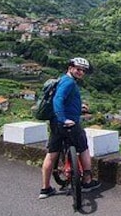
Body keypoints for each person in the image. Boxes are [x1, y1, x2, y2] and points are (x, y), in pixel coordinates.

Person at [38, 57, 100, 198]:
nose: (80, 72)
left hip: (55, 124)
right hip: (67, 123)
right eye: (78, 69)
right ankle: (87, 181)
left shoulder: (62, 80)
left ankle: (45, 189)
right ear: (70, 68)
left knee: (52, 154)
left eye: (83, 70)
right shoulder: (69, 83)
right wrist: (63, 119)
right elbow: (58, 99)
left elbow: (65, 100)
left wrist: (79, 106)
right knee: (83, 147)